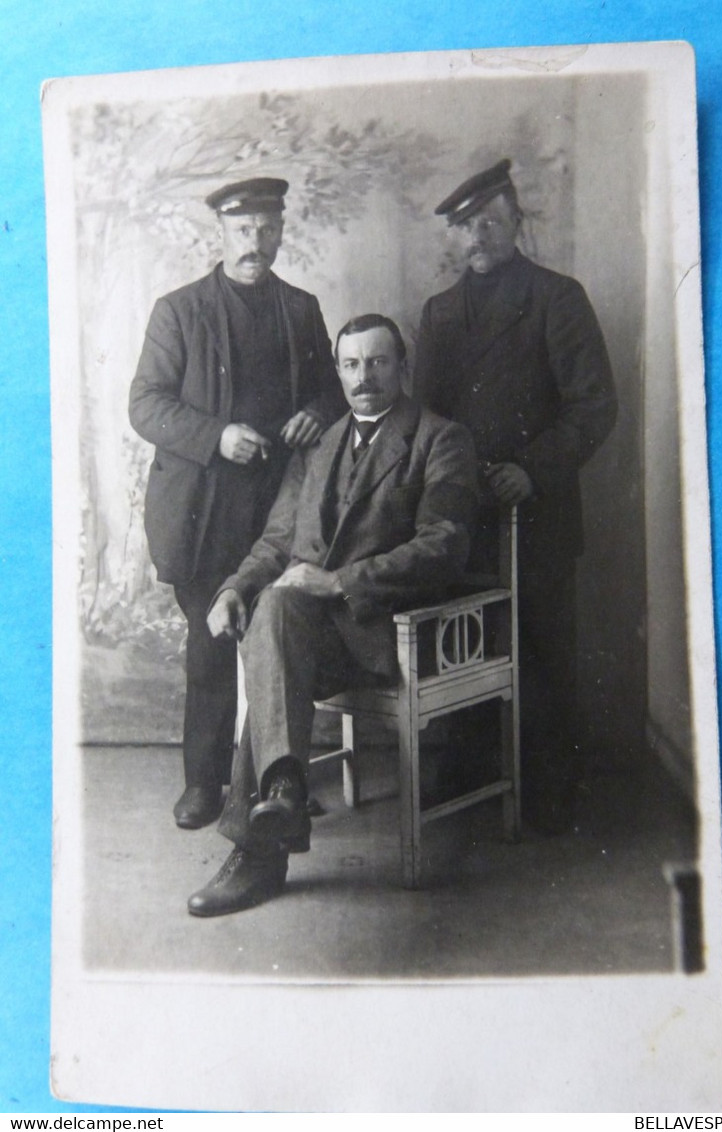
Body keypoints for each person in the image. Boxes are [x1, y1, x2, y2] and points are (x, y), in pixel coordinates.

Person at [186, 313, 479, 916]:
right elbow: (276, 542)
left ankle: (262, 845)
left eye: (377, 362)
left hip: (392, 634)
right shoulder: (319, 446)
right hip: (310, 641)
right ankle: (283, 795)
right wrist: (233, 588)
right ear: (339, 371)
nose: (363, 377)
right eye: (351, 364)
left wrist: (339, 581)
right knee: (272, 604)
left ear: (402, 366)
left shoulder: (440, 438)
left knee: (280, 617)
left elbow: (445, 544)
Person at [129, 178, 344, 830]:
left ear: (280, 231)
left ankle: (278, 780)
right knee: (211, 642)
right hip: (204, 508)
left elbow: (334, 394)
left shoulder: (301, 309)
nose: (255, 241)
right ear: (220, 233)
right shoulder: (179, 310)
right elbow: (145, 404)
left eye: (266, 228)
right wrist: (217, 435)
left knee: (278, 640)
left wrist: (315, 411)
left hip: (281, 508)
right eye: (243, 229)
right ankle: (205, 783)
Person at [413, 159, 618, 834]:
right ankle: (468, 777)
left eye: (491, 222)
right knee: (461, 643)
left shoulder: (558, 298)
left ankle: (553, 789)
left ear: (516, 222)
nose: (479, 237)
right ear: (453, 237)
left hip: (539, 509)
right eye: (466, 227)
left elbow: (594, 406)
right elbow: (425, 419)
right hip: (464, 515)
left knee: (544, 648)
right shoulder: (438, 314)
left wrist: (531, 468)